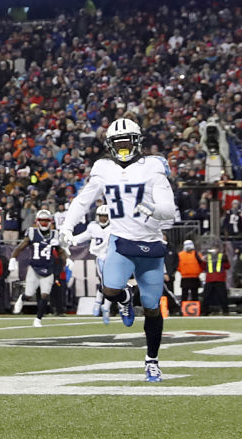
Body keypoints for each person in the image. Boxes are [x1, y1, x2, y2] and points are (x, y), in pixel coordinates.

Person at [60, 118, 176, 383]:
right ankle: (125, 299)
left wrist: (152, 209)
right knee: (110, 291)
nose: (123, 147)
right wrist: (67, 225)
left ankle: (152, 360)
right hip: (121, 241)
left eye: (127, 142)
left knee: (152, 308)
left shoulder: (153, 166)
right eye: (118, 143)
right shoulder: (103, 168)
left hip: (150, 245)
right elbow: (83, 199)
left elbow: (169, 213)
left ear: (137, 141)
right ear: (110, 145)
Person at [9, 209, 69, 326]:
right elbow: (20, 247)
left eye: (46, 221)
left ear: (50, 222)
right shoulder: (32, 233)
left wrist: (67, 259)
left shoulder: (55, 234)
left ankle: (38, 319)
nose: (44, 223)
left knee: (45, 294)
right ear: (37, 221)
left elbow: (61, 251)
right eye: (42, 220)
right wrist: (13, 258)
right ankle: (22, 298)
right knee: (29, 294)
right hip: (34, 268)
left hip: (48, 268)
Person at [70, 204, 112, 324]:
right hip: (100, 257)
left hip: (113, 258)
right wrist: (71, 239)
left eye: (105, 216)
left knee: (110, 283)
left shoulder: (114, 227)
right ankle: (103, 305)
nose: (103, 219)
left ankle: (102, 304)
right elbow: (83, 237)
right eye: (101, 216)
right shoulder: (93, 227)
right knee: (107, 281)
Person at [200, 247, 230, 315]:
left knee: (207, 296)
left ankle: (204, 311)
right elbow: (227, 266)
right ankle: (225, 311)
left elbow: (203, 267)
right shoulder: (222, 256)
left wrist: (202, 261)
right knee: (222, 296)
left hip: (211, 279)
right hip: (218, 279)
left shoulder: (208, 257)